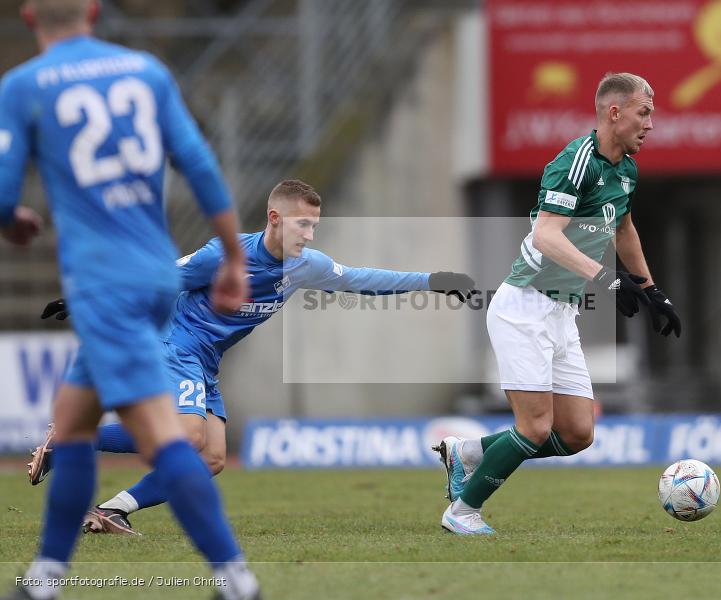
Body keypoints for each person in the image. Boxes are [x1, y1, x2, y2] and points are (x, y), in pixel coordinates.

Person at [29, 178, 477, 536]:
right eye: (302, 224)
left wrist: (432, 278)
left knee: (212, 460)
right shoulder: (223, 255)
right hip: (177, 342)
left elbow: (361, 278)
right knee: (187, 437)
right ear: (274, 218)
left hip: (206, 359)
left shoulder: (308, 265)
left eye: (314, 226)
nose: (309, 234)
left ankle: (112, 509)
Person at [0, 1, 260, 598]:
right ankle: (45, 578)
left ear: (29, 14)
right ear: (93, 11)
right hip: (155, 277)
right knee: (71, 427)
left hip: (102, 282)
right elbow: (197, 163)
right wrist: (233, 256)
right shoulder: (145, 72)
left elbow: (4, 194)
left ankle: (236, 578)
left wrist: (15, 222)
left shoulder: (24, 84)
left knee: (170, 440)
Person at [435, 72, 681, 535]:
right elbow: (546, 235)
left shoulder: (625, 168)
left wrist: (650, 290)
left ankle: (468, 451)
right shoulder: (575, 161)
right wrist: (609, 279)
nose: (650, 124)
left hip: (562, 312)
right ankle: (462, 512)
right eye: (644, 112)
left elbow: (623, 228)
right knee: (533, 426)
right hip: (523, 308)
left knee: (576, 434)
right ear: (615, 112)